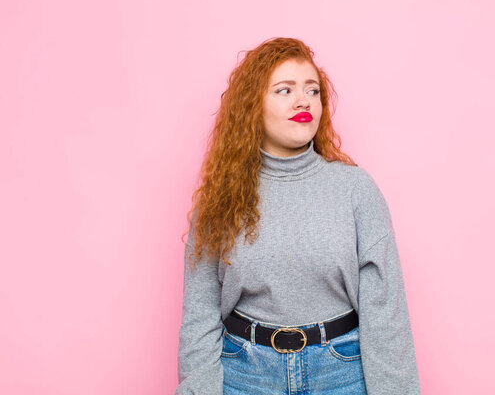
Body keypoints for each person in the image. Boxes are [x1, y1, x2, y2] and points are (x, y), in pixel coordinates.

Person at [175, 37, 420, 395]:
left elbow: (386, 315)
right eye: (284, 90)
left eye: (312, 90)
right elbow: (199, 315)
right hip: (245, 376)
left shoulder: (355, 190)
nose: (303, 100)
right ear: (252, 106)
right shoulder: (221, 198)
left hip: (342, 375)